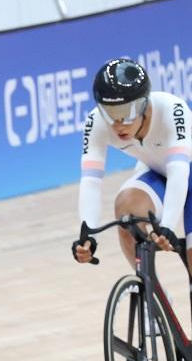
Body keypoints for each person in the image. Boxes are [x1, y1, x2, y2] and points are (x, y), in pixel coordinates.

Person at [72, 58, 192, 269]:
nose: (118, 124)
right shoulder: (97, 123)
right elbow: (90, 180)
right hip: (157, 171)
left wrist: (168, 225)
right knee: (126, 213)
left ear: (144, 105)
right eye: (110, 113)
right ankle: (150, 295)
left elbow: (179, 172)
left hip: (183, 171)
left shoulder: (173, 110)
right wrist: (88, 233)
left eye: (126, 113)